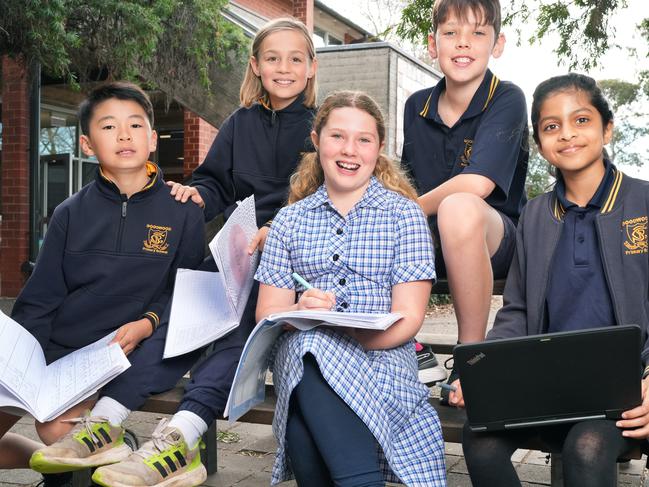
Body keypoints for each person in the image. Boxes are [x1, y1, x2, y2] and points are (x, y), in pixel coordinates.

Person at [91, 17, 318, 487]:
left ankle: (183, 432)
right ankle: (108, 415)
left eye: (296, 58)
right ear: (255, 65)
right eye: (272, 58)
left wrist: (280, 226)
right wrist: (198, 194)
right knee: (182, 314)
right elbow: (216, 180)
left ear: (312, 68)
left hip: (291, 257)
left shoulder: (321, 126)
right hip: (238, 247)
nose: (284, 67)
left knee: (238, 322)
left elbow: (323, 193)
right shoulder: (240, 123)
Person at [455, 73, 649, 487]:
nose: (567, 135)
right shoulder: (536, 215)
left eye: (581, 120)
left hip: (627, 391)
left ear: (606, 128)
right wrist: (482, 372)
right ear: (541, 143)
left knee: (587, 447)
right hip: (547, 386)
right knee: (479, 436)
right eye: (551, 126)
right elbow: (519, 310)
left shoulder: (643, 202)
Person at [8, 82, 205, 486]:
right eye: (109, 126)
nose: (124, 135)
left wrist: (149, 321)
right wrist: (22, 364)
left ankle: (83, 465)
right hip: (64, 351)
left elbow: (186, 292)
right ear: (86, 144)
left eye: (135, 125)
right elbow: (40, 298)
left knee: (56, 429)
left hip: (123, 351)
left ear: (152, 140)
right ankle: (73, 462)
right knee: (50, 436)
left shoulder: (182, 210)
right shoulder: (69, 213)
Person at [255, 91, 446, 486]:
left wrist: (345, 336)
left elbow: (409, 319)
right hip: (305, 356)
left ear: (379, 148)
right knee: (310, 348)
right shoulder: (288, 221)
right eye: (337, 136)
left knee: (303, 433)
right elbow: (267, 316)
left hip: (383, 358)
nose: (350, 150)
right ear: (316, 140)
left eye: (364, 139)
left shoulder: (403, 215)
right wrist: (302, 312)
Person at [400, 0, 528, 393]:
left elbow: (478, 185)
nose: (463, 44)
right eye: (451, 33)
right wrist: (398, 210)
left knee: (458, 206)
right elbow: (406, 183)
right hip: (430, 240)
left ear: (498, 44)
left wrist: (410, 210)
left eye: (477, 33)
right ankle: (406, 345)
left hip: (493, 237)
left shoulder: (506, 98)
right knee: (371, 212)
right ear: (432, 43)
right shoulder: (416, 105)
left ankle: (471, 356)